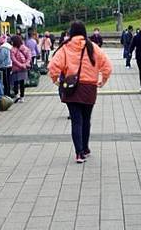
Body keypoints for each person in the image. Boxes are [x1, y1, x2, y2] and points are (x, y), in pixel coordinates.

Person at [48, 21, 113, 163]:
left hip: (72, 88)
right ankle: (85, 148)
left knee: (76, 121)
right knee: (86, 120)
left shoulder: (65, 47)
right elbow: (107, 66)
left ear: (71, 32)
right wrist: (103, 80)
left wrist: (56, 80)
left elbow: (53, 65)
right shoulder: (93, 47)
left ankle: (79, 153)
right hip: (89, 88)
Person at [10, 35, 31, 102]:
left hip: (16, 68)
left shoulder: (12, 49)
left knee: (15, 81)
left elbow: (13, 59)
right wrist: (25, 64)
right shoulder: (24, 48)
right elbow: (29, 56)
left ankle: (16, 95)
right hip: (23, 68)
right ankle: (22, 97)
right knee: (22, 83)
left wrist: (20, 65)